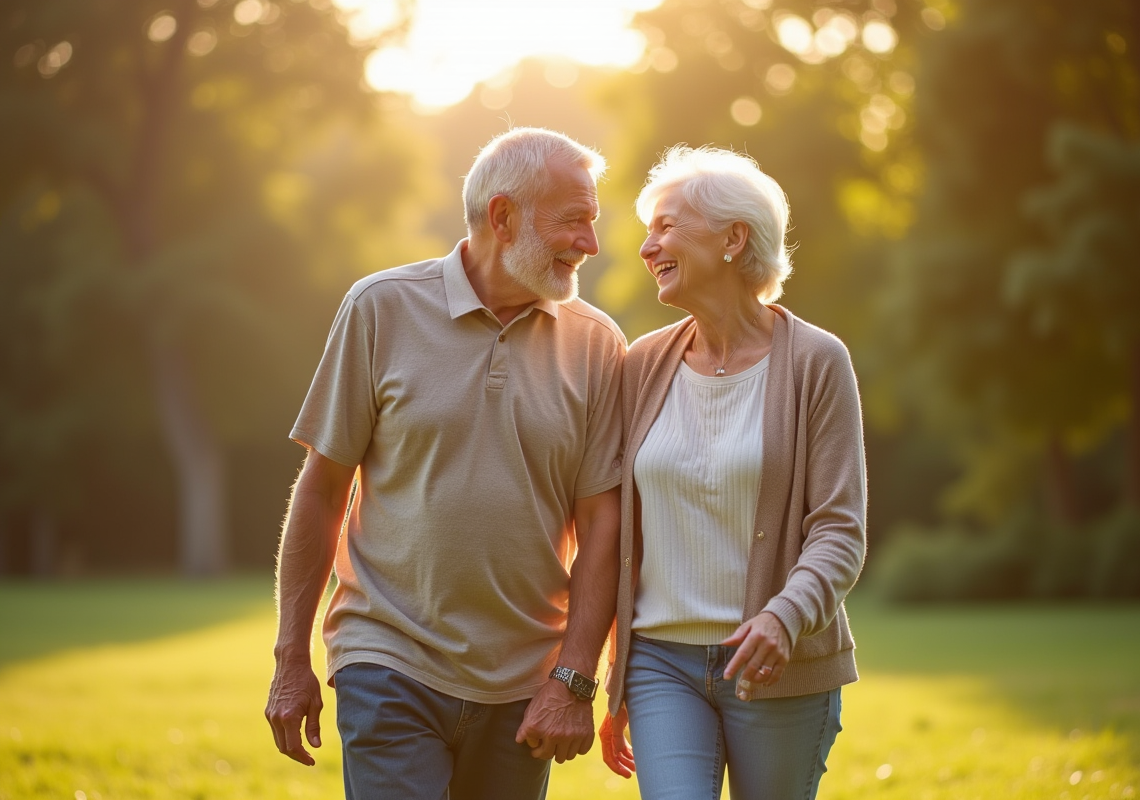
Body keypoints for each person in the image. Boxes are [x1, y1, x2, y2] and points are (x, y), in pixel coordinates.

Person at [265, 127, 626, 800]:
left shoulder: (599, 345)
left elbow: (603, 526)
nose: (591, 243)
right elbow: (321, 491)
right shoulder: (380, 308)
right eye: (574, 220)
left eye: (592, 222)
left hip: (526, 686)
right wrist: (292, 657)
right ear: (502, 216)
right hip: (388, 657)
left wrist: (575, 680)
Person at [598, 145, 867, 799]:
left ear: (732, 239)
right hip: (661, 663)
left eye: (665, 226)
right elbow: (610, 528)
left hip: (779, 664)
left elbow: (839, 529)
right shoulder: (640, 366)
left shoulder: (816, 362)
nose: (646, 246)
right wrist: (611, 672)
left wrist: (782, 617)